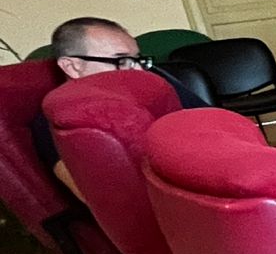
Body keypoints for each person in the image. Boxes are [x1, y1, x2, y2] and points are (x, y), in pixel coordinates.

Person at [36, 17, 204, 192]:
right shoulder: (57, 121)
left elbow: (210, 118)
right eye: (121, 61)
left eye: (137, 60)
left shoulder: (153, 83)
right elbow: (100, 197)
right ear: (72, 66)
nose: (138, 70)